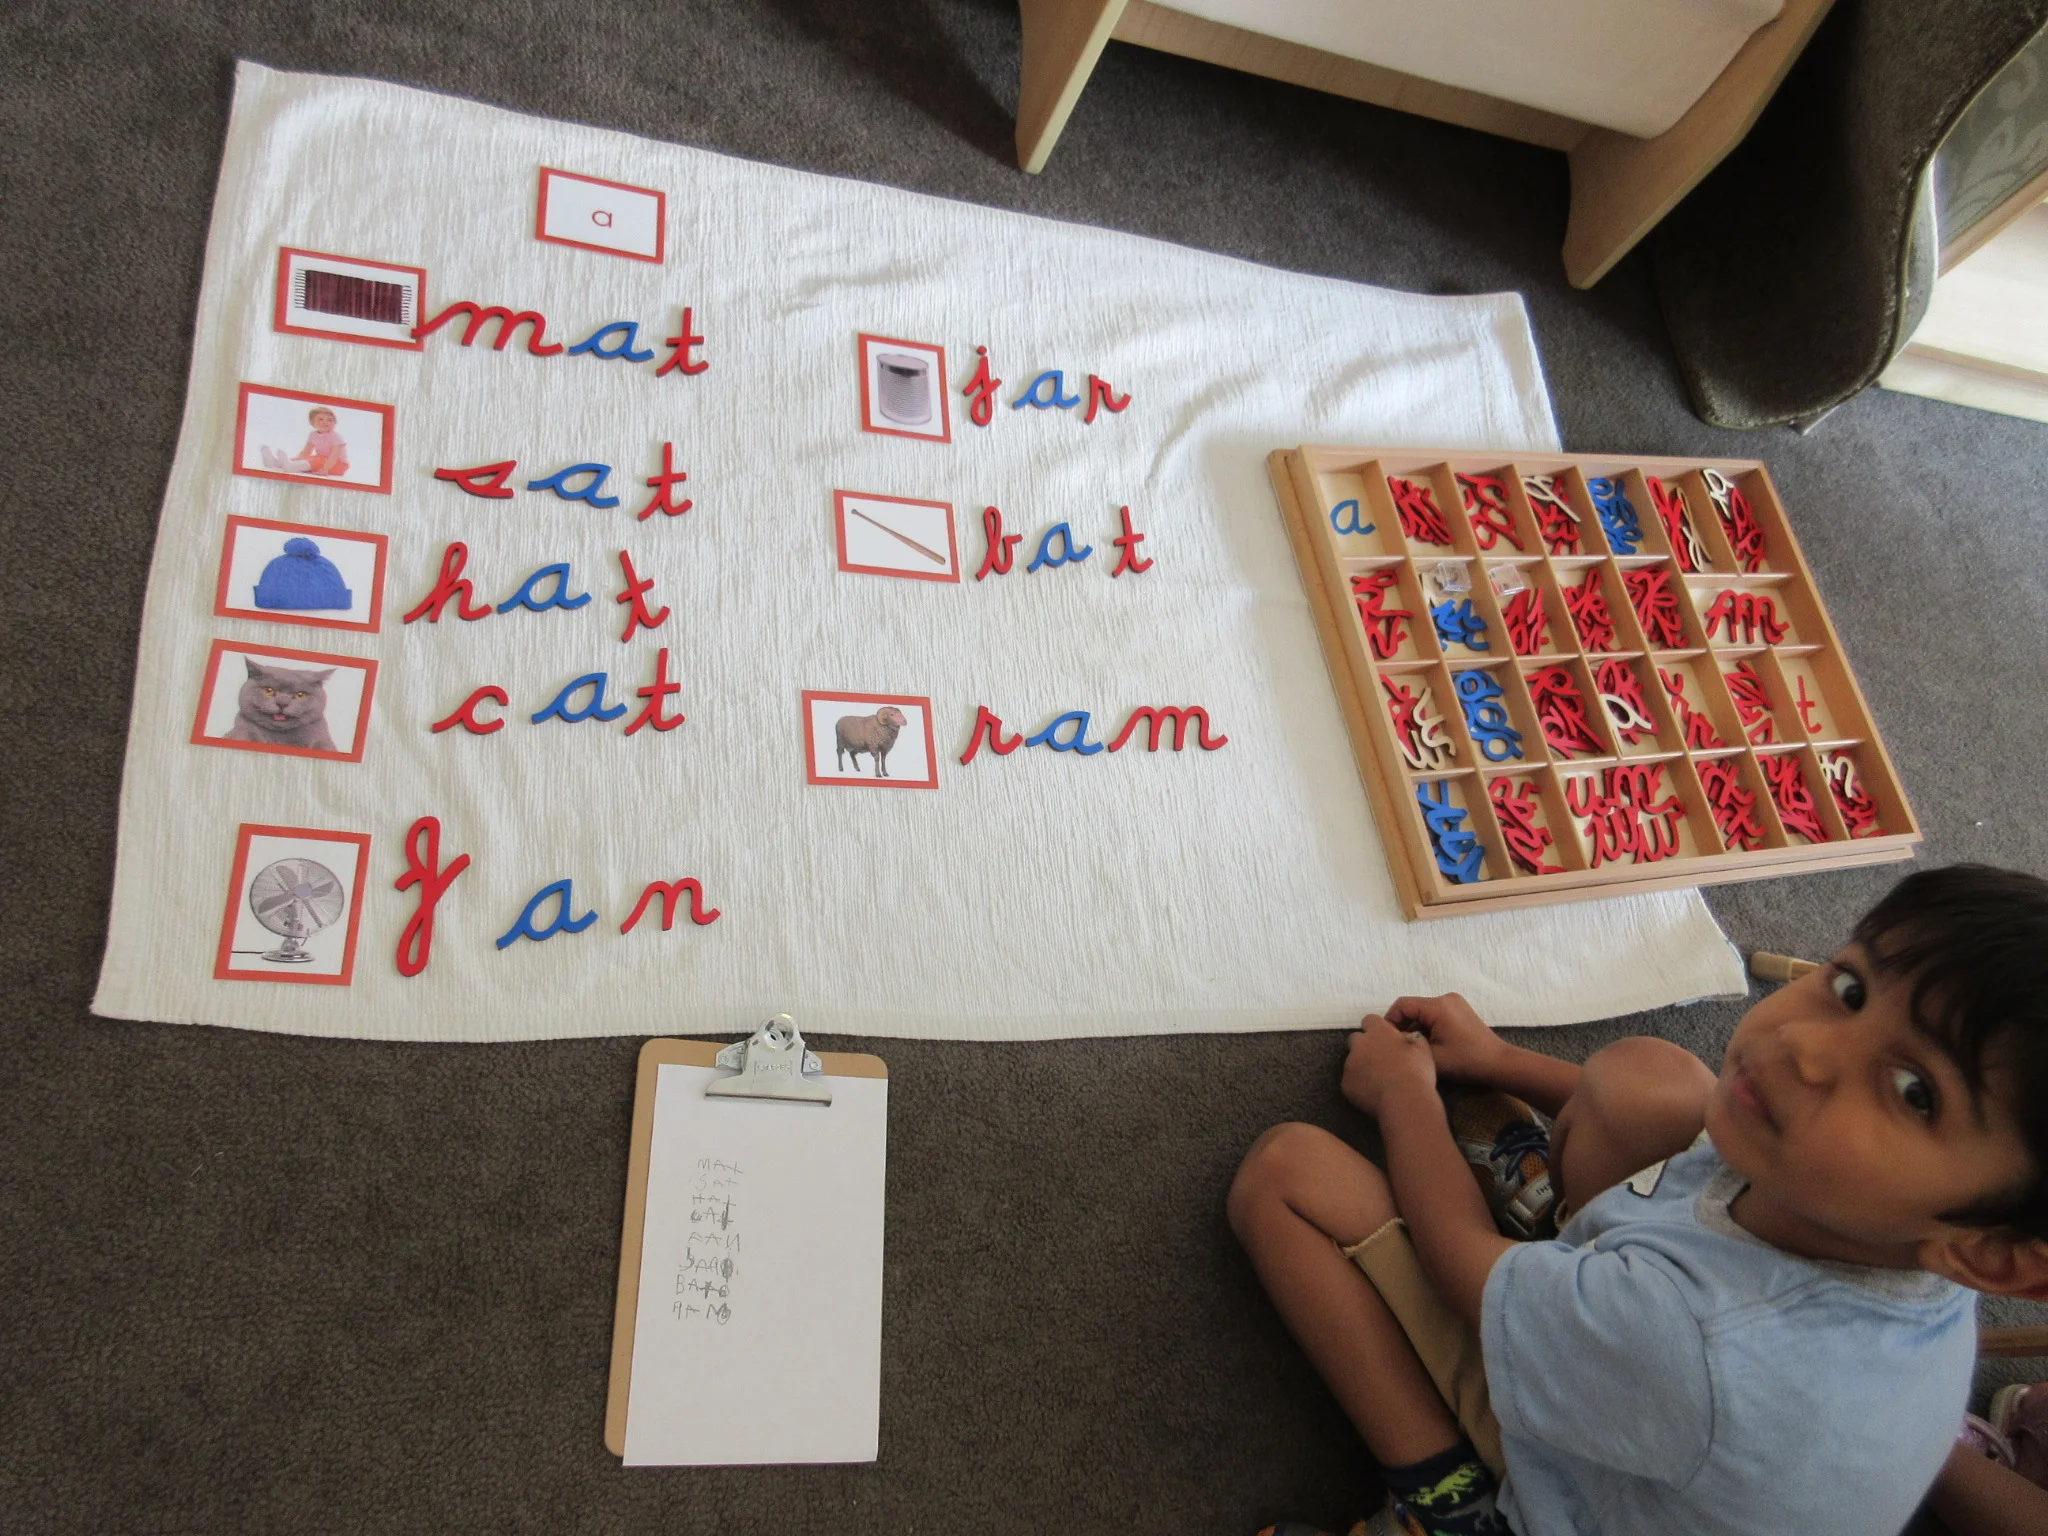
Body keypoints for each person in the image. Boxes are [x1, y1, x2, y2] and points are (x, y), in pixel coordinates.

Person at [1229, 864, 2048, 1536]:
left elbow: (1464, 1269)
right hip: (1666, 1404)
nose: (1805, 1047)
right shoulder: (1906, 1229)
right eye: (1852, 992)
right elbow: (1697, 1136)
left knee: (1286, 1176)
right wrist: (1496, 1059)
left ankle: (1447, 1507)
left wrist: (1405, 1092)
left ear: (1995, 1254)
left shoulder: (1701, 1338)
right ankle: (1566, 1261)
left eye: (1913, 1092)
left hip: (1590, 1466)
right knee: (1648, 1082)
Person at [261, 405, 349, 476]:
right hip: (322, 460)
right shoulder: (313, 435)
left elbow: (334, 456)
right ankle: (275, 463)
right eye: (320, 419)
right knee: (309, 458)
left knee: (317, 460)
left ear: (335, 423)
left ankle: (292, 467)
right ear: (312, 422)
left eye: (330, 420)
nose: (325, 422)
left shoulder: (336, 437)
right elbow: (307, 452)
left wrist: (325, 469)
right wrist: (299, 458)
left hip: (338, 465)